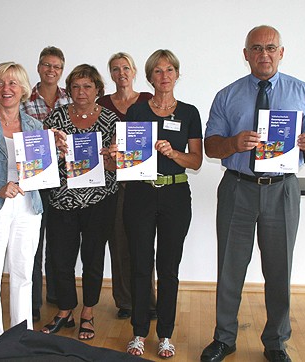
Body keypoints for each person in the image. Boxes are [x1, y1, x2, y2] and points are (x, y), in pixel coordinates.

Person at [200, 26, 305, 362]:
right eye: (256, 48)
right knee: (229, 268)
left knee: (279, 269)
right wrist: (233, 143)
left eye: (271, 48)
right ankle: (224, 338)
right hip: (237, 187)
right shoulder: (227, 95)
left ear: (281, 53)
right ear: (246, 55)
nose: (264, 54)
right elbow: (211, 145)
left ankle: (275, 341)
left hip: (282, 190)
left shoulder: (303, 92)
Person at [0, 61, 66, 354]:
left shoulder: (34, 125)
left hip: (28, 208)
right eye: (0, 83)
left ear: (23, 90)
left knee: (23, 276)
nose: (6, 89)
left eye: (12, 83)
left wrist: (55, 150)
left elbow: (41, 173)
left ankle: (22, 340)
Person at [113, 49, 203, 359]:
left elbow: (196, 161)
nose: (164, 76)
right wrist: (116, 156)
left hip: (175, 196)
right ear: (150, 77)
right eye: (157, 71)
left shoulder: (190, 113)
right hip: (139, 195)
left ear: (177, 74)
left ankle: (165, 334)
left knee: (168, 268)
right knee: (140, 265)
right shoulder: (137, 111)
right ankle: (139, 332)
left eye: (169, 70)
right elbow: (128, 158)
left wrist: (173, 154)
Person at [41, 64, 119, 341]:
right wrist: (53, 148)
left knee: (93, 259)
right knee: (61, 259)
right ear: (69, 90)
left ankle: (88, 311)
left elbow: (118, 167)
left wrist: (109, 158)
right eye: (75, 86)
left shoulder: (110, 120)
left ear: (98, 89)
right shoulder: (56, 117)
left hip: (100, 200)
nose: (81, 92)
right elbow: (41, 160)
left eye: (87, 86)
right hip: (62, 200)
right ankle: (65, 310)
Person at [97, 52, 157, 321]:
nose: (121, 73)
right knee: (119, 244)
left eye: (125, 68)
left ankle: (149, 301)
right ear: (110, 74)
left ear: (134, 72)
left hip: (144, 182)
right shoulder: (102, 103)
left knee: (144, 244)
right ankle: (125, 301)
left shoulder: (148, 100)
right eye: (115, 69)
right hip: (114, 183)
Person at [21, 46, 71, 323]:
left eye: (57, 66)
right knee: (33, 243)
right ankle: (33, 302)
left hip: (64, 181)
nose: (51, 70)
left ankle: (55, 294)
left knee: (59, 241)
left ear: (62, 70)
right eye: (46, 65)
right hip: (35, 179)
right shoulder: (23, 98)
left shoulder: (70, 98)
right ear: (38, 67)